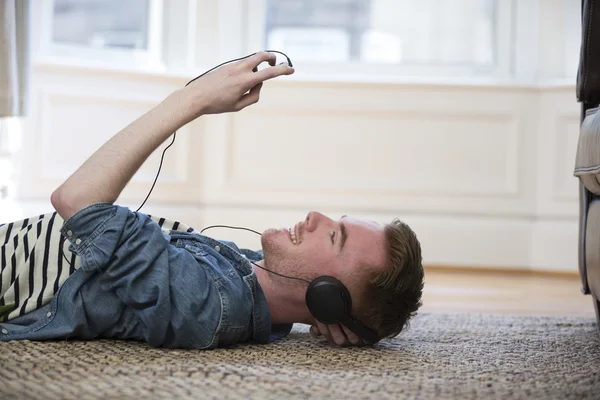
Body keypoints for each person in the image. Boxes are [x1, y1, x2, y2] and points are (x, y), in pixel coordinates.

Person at [0, 52, 424, 349]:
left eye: (335, 237)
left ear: (328, 294)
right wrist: (339, 320)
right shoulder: (246, 278)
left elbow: (76, 200)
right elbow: (298, 299)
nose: (316, 216)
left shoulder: (209, 303)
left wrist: (193, 99)